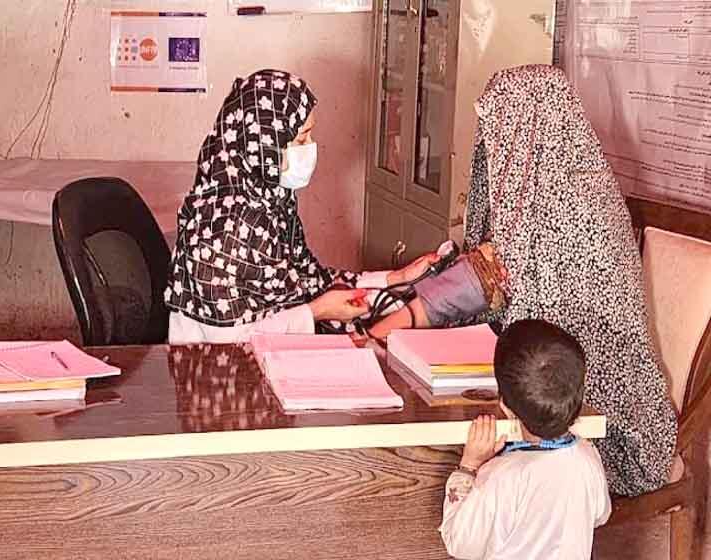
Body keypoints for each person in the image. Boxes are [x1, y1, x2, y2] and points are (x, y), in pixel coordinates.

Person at [367, 65, 677, 496]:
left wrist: (385, 328)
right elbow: (485, 273)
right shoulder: (577, 186)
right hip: (557, 400)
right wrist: (399, 318)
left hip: (599, 422)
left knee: (430, 457)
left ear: (526, 129)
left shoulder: (563, 210)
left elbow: (486, 276)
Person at [165, 69, 433, 344]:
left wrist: (395, 278)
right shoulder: (223, 225)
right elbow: (230, 342)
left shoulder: (269, 199)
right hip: (219, 374)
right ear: (263, 144)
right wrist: (317, 312)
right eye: (301, 138)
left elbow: (308, 277)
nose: (311, 147)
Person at [440, 319, 611, 560]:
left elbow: (460, 542)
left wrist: (468, 467)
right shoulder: (587, 457)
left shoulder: (502, 474)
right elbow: (600, 514)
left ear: (506, 409)